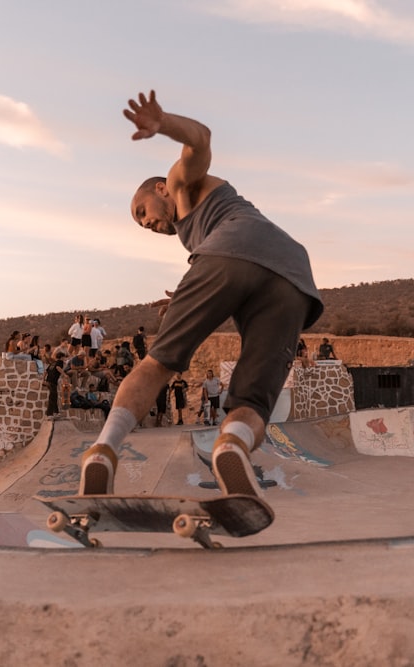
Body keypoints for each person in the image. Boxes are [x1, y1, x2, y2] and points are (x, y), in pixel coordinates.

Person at [77, 90, 323, 499]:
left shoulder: (181, 187)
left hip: (229, 254)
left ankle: (103, 449)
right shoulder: (203, 225)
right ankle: (233, 444)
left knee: (158, 363)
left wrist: (164, 124)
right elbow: (236, 267)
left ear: (159, 188)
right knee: (253, 397)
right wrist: (187, 296)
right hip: (292, 274)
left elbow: (201, 139)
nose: (148, 224)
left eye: (143, 212)